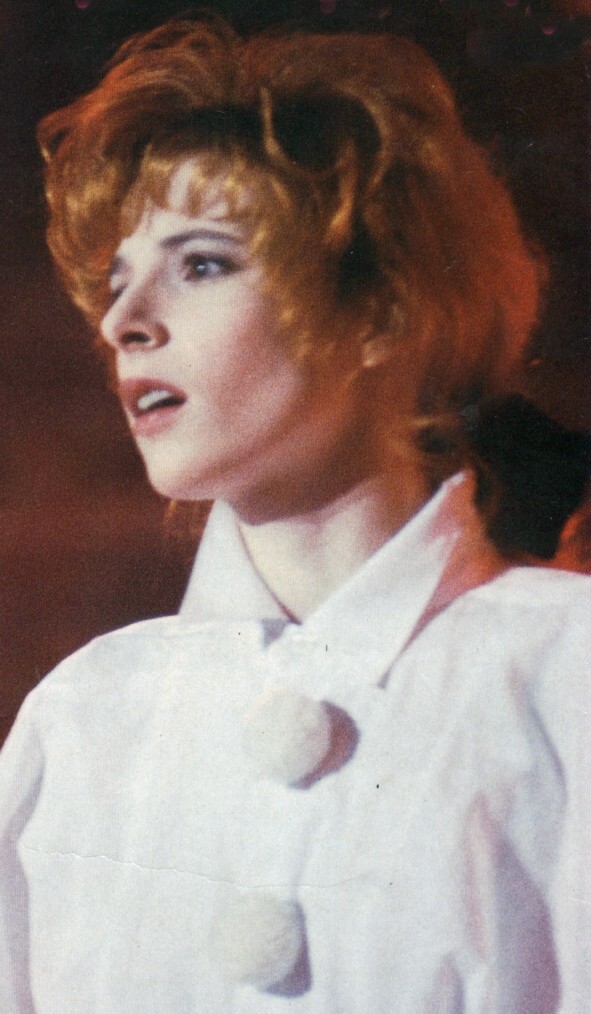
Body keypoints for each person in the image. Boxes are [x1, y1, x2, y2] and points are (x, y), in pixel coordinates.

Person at [0, 17, 589, 1012]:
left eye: (201, 264)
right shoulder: (82, 721)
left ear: (383, 311)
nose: (123, 321)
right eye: (115, 281)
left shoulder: (563, 672)